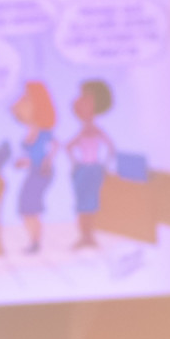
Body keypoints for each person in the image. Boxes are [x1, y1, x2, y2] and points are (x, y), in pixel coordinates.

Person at [65, 78, 117, 249]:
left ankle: (89, 237)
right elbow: (68, 147)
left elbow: (111, 148)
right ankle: (84, 237)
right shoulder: (83, 130)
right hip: (84, 171)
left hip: (93, 170)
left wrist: (105, 167)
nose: (80, 103)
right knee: (82, 205)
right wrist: (75, 164)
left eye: (87, 99)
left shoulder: (97, 130)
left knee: (91, 205)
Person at [9, 80, 57, 254]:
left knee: (30, 208)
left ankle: (35, 243)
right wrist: (24, 162)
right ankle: (34, 241)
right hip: (34, 170)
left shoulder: (44, 132)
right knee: (27, 208)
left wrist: (47, 161)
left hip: (42, 172)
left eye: (26, 99)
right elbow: (33, 156)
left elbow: (54, 146)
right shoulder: (30, 129)